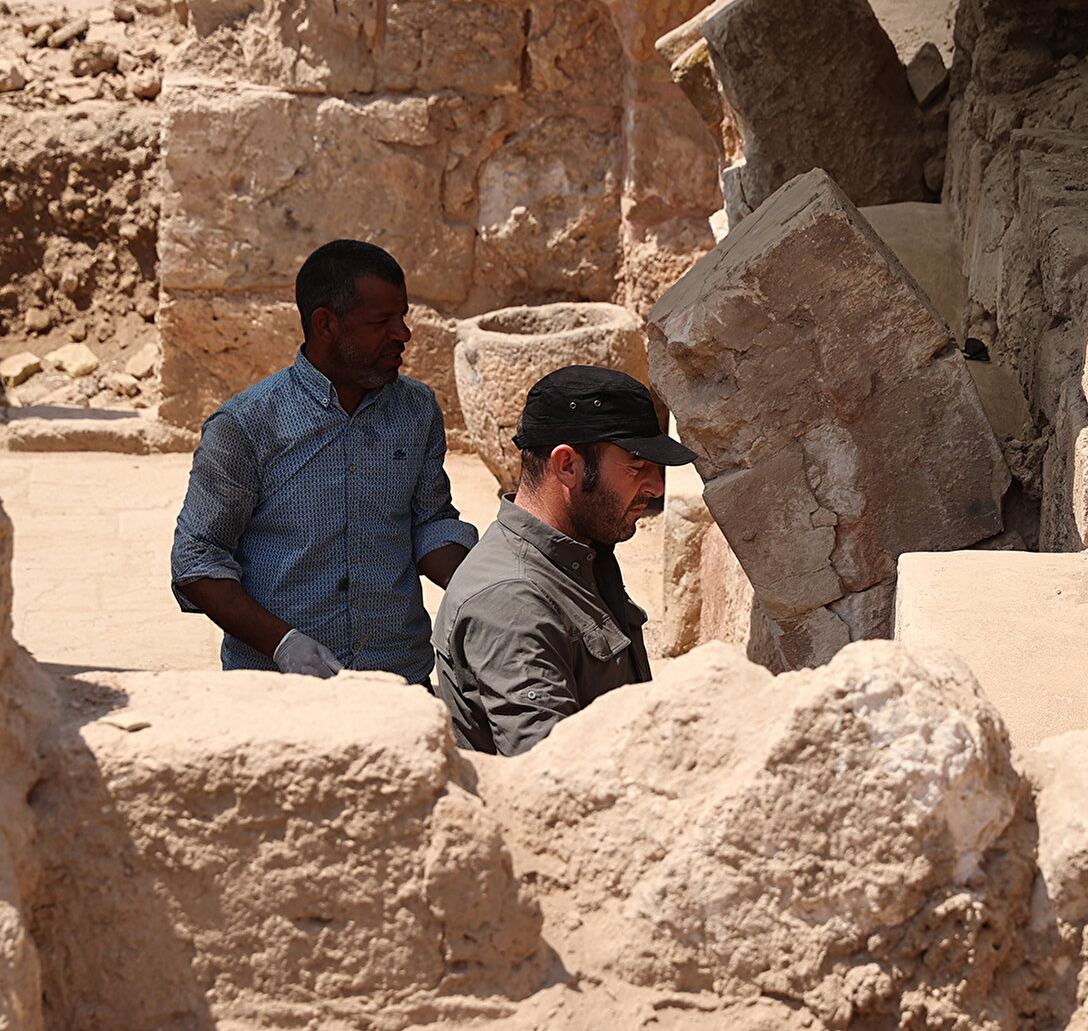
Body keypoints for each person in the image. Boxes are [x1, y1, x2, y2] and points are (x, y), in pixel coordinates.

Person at [171, 239, 477, 683]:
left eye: (403, 317)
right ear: (325, 324)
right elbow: (197, 559)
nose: (403, 334)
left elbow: (429, 523)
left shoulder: (417, 410)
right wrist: (282, 643)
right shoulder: (245, 425)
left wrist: (487, 588)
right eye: (382, 321)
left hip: (398, 680)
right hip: (278, 691)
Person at [434, 365, 696, 755]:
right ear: (568, 465)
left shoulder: (581, 549)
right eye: (637, 468)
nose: (656, 487)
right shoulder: (511, 602)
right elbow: (551, 781)